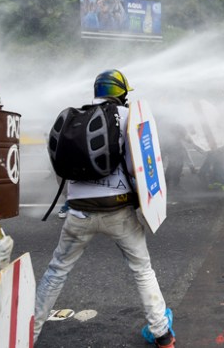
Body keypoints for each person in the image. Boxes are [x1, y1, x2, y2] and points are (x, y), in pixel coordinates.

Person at [34, 69, 176, 347]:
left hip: (78, 212)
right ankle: (163, 335)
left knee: (56, 272)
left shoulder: (74, 119)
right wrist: (144, 205)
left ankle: (27, 335)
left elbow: (60, 170)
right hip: (118, 210)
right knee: (142, 270)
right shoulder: (128, 117)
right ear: (121, 93)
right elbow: (140, 167)